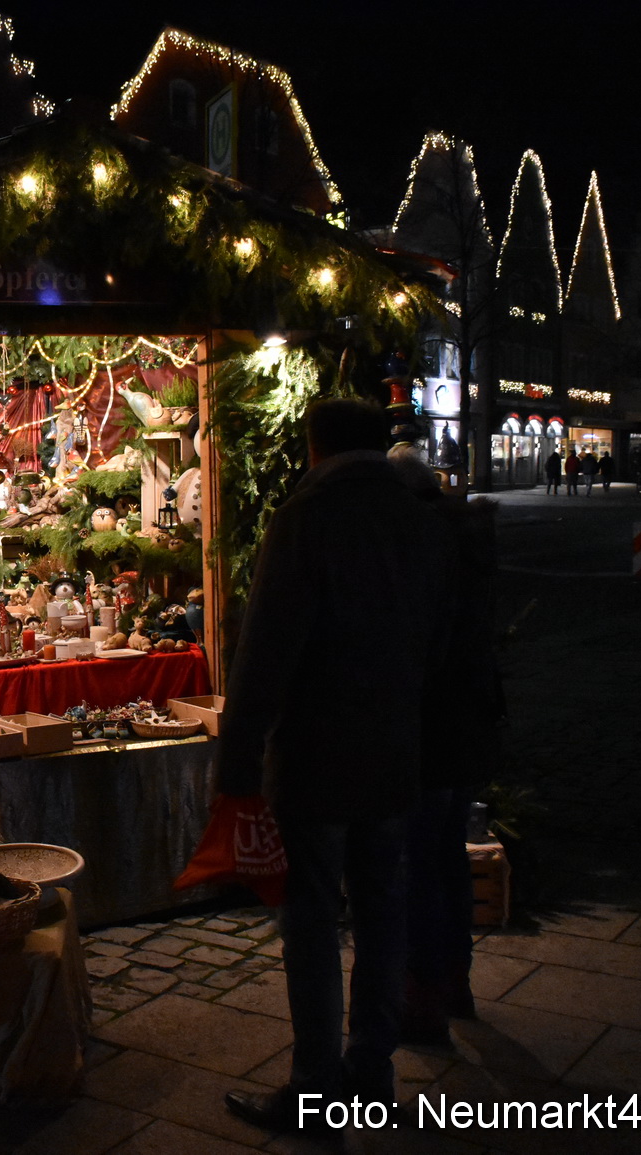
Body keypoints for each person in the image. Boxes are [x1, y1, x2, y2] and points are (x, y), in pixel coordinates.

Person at [218, 400, 454, 1135]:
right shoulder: (419, 517)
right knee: (383, 911)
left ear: (314, 446)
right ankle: (371, 1071)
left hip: (317, 756)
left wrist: (237, 761)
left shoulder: (307, 515)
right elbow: (441, 639)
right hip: (391, 751)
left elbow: (264, 654)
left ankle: (315, 1088)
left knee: (313, 923)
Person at [389, 448, 501, 1044]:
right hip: (469, 722)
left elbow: (416, 645)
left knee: (419, 863)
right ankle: (455, 981)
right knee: (448, 857)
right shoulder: (466, 536)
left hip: (431, 728)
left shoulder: (421, 547)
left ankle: (421, 999)